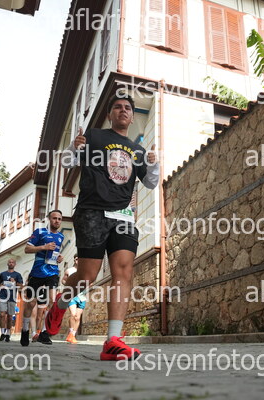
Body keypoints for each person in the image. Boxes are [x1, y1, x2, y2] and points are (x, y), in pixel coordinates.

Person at [45, 93, 159, 360]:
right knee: (87, 276)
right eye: (117, 107)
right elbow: (67, 162)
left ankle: (112, 341)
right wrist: (74, 147)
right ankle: (60, 305)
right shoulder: (95, 136)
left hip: (123, 216)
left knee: (124, 272)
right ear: (110, 115)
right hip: (92, 212)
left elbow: (151, 183)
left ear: (132, 116)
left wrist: (154, 165)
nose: (123, 110)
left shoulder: (138, 151)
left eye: (127, 108)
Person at [20, 210, 65, 346]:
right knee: (31, 303)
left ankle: (44, 333)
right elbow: (27, 249)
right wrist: (44, 247)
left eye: (59, 219)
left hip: (52, 272)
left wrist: (59, 257)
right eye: (54, 218)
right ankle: (25, 329)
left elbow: (54, 253)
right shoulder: (39, 232)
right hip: (37, 272)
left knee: (52, 301)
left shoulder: (61, 236)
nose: (57, 221)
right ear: (49, 219)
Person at [0, 258, 23, 342]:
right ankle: (2, 333)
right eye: (10, 262)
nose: (11, 263)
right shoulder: (2, 274)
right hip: (3, 296)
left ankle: (8, 334)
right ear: (7, 264)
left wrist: (15, 282)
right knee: (2, 314)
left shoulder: (17, 275)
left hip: (12, 297)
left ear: (15, 264)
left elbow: (21, 285)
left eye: (12, 262)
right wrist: (0, 285)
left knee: (10, 316)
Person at [62, 255, 86, 344]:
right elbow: (63, 280)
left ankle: (72, 335)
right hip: (72, 295)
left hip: (82, 296)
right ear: (74, 260)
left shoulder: (85, 271)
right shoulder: (69, 270)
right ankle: (71, 333)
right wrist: (68, 285)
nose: (78, 260)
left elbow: (91, 281)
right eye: (76, 259)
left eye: (80, 259)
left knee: (78, 317)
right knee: (73, 314)